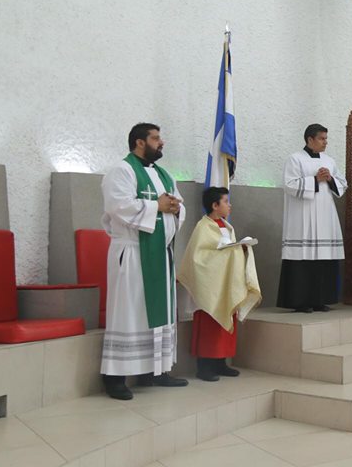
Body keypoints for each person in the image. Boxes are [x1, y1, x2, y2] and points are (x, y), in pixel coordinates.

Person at [100, 123, 188, 400]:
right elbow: (118, 207)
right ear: (140, 142)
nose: (161, 142)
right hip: (133, 252)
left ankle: (155, 371)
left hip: (159, 254)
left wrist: (175, 207)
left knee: (157, 314)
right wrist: (157, 207)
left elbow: (178, 205)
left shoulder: (163, 174)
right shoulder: (121, 171)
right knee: (128, 311)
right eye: (156, 138)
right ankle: (114, 377)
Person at [177, 187, 262, 381]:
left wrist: (241, 249)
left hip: (225, 284)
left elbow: (225, 252)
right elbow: (199, 258)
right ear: (215, 205)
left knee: (226, 321)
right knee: (210, 324)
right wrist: (231, 252)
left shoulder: (226, 226)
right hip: (210, 286)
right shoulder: (203, 227)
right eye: (226, 201)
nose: (229, 205)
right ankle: (204, 367)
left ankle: (220, 362)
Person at [277, 124, 347, 313]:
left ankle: (320, 300)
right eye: (322, 138)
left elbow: (342, 184)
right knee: (303, 259)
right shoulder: (295, 159)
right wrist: (315, 179)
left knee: (323, 260)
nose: (326, 142)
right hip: (303, 218)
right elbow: (289, 185)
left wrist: (330, 179)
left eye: (326, 138)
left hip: (325, 216)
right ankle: (300, 302)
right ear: (310, 139)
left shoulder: (329, 161)